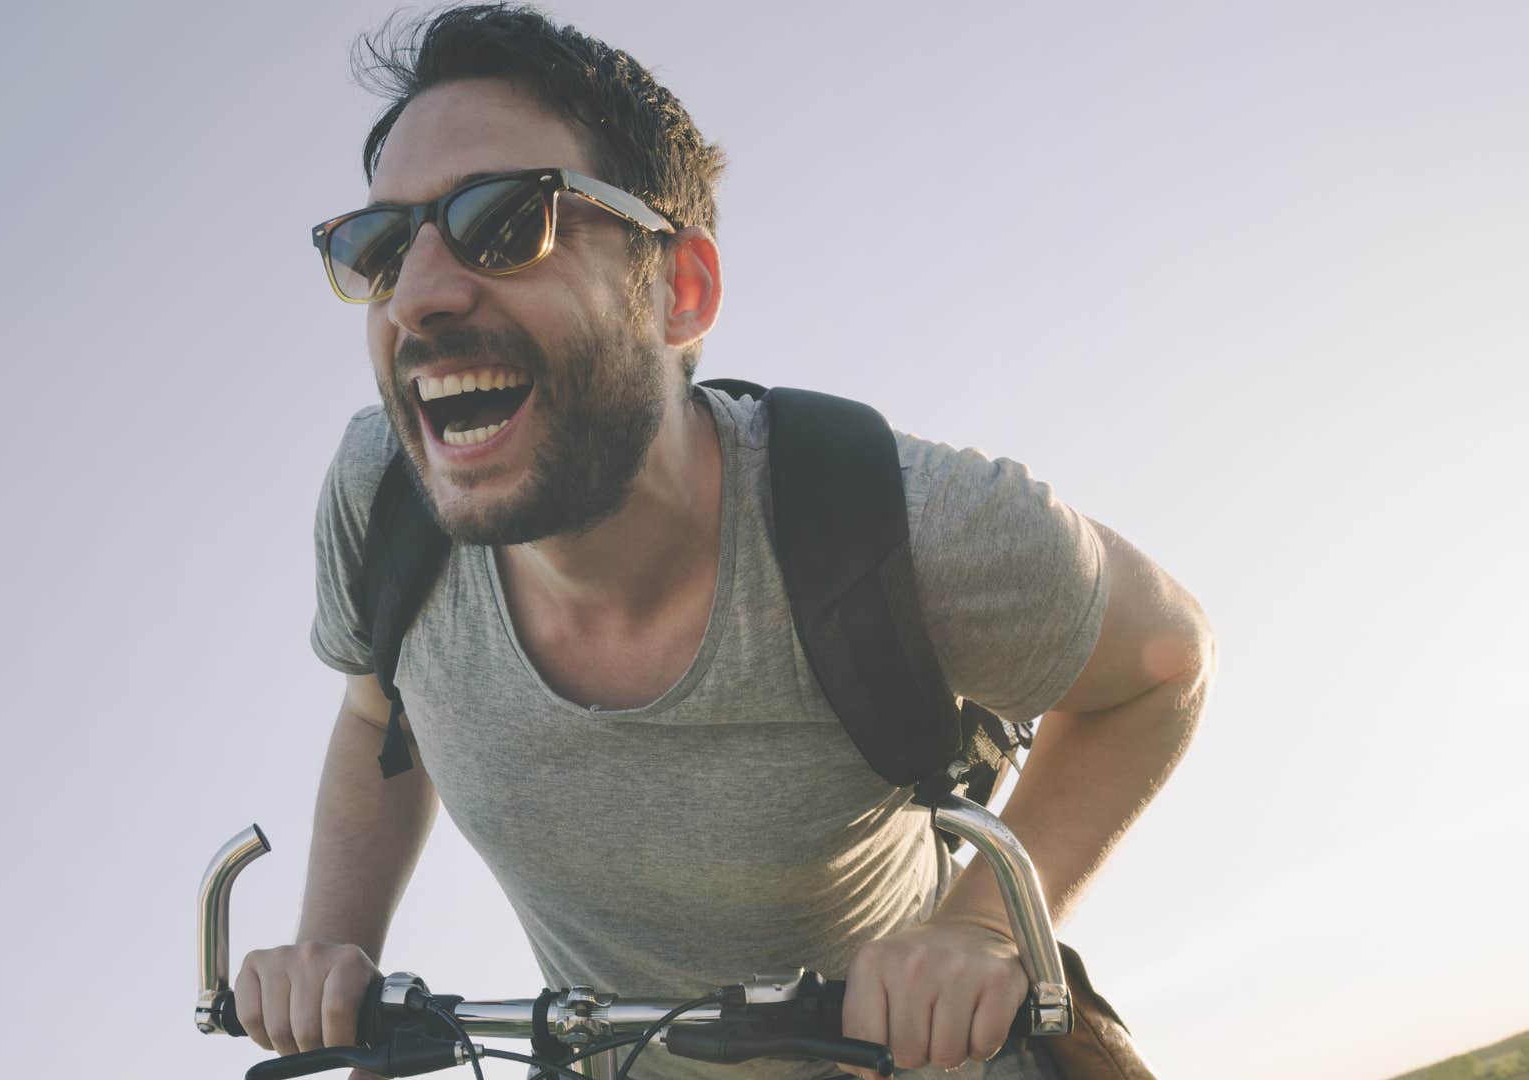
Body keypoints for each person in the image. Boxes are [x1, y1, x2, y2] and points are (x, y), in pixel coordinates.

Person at [236, 5, 1215, 1079]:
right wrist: (336, 943)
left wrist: (980, 929)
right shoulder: (381, 500)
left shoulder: (889, 521)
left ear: (680, 291)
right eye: (379, 248)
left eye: (507, 221)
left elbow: (1161, 664)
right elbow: (384, 706)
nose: (417, 296)